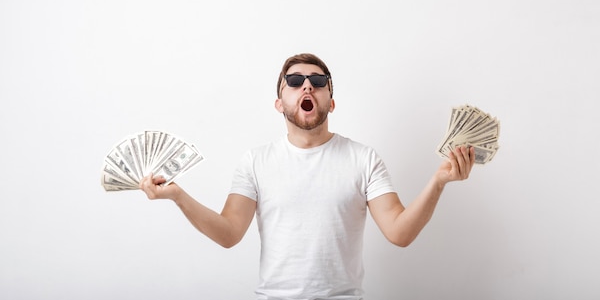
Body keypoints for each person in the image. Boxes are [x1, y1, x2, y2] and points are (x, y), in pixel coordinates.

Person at [140, 53, 475, 300]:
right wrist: (178, 196)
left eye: (317, 82)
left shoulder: (363, 158)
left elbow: (400, 232)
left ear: (331, 102)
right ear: (279, 102)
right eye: (295, 81)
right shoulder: (256, 161)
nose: (307, 87)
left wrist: (438, 182)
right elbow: (229, 233)